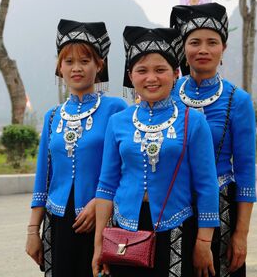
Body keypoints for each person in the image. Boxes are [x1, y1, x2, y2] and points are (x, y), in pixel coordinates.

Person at [93, 27, 219, 277]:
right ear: (131, 76)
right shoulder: (118, 122)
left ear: (175, 74)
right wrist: (98, 244)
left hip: (177, 228)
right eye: (142, 70)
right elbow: (106, 185)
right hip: (125, 228)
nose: (151, 78)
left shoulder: (193, 122)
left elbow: (207, 185)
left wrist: (204, 243)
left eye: (160, 70)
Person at [27, 19, 127, 276]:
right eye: (69, 62)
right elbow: (43, 178)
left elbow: (128, 169)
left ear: (99, 65)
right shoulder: (52, 116)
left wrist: (101, 202)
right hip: (57, 222)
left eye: (85, 61)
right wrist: (32, 231)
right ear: (59, 68)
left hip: (103, 220)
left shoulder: (117, 109)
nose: (76, 68)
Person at [170, 3, 257, 277]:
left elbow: (245, 173)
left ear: (224, 48)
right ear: (184, 48)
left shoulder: (237, 100)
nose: (203, 49)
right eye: (194, 42)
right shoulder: (167, 94)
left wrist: (241, 234)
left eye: (212, 42)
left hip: (222, 211)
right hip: (174, 206)